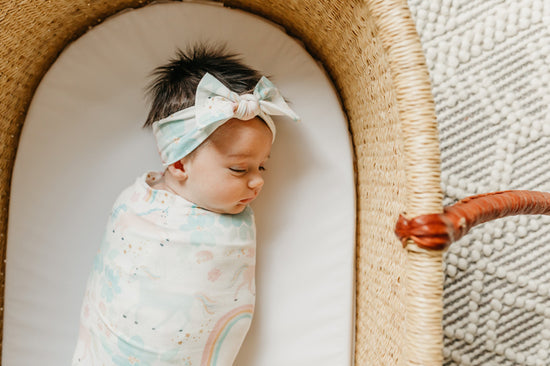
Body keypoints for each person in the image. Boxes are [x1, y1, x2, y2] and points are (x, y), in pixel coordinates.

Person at [72, 45, 299, 365]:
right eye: (239, 169)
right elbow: (112, 286)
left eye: (261, 166)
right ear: (179, 163)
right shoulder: (136, 207)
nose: (258, 181)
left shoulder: (230, 228)